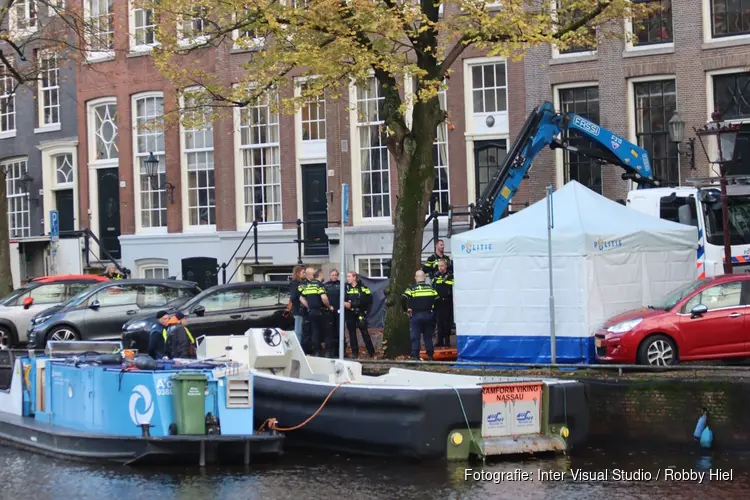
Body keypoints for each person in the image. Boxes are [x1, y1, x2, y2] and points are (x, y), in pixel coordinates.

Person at [402, 269, 438, 360]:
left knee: (415, 337)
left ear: (415, 278)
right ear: (425, 278)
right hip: (428, 315)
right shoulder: (431, 288)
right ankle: (430, 356)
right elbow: (438, 300)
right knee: (428, 337)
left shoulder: (412, 289)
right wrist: (433, 309)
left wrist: (406, 310)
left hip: (416, 315)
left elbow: (403, 298)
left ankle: (415, 357)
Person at [299, 269, 332, 357]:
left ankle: (318, 351)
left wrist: (308, 306)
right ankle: (328, 352)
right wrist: (329, 306)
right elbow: (324, 298)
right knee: (327, 332)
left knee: (315, 332)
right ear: (320, 275)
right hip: (322, 311)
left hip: (312, 312)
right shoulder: (320, 285)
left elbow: (301, 298)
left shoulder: (309, 286)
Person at [344, 271, 375, 359]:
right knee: (352, 333)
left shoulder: (363, 287)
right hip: (349, 313)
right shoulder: (345, 288)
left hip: (360, 313)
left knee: (364, 332)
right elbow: (341, 298)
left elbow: (370, 300)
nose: (348, 278)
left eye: (349, 276)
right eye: (347, 276)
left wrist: (366, 311)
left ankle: (371, 351)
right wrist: (344, 303)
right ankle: (355, 353)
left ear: (354, 277)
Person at [432, 259, 454, 347]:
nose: (440, 268)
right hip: (438, 302)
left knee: (446, 322)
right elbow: (433, 288)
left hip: (447, 301)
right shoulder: (436, 276)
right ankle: (439, 341)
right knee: (439, 322)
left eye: (442, 266)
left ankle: (447, 341)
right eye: (439, 266)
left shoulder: (450, 276)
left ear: (445, 266)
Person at [323, 269, 342, 358]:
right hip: (329, 310)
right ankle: (329, 351)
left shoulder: (341, 284)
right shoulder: (326, 285)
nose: (334, 276)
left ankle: (340, 351)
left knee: (339, 330)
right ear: (330, 276)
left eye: (335, 275)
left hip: (339, 310)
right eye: (332, 275)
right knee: (329, 331)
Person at [289, 266, 306, 346]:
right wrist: (299, 305)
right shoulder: (295, 283)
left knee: (301, 331)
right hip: (298, 310)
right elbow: (293, 297)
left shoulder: (301, 283)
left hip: (300, 309)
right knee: (298, 331)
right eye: (303, 272)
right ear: (298, 273)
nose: (304, 274)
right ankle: (297, 348)